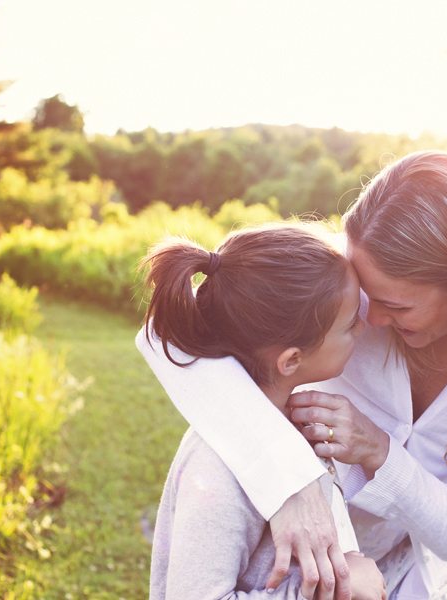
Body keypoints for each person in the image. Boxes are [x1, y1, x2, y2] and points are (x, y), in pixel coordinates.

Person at [137, 151, 447, 599]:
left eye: (396, 306)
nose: (370, 319)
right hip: (291, 572)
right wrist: (290, 481)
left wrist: (379, 451)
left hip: (411, 579)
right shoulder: (345, 282)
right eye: (366, 302)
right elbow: (169, 334)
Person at [139, 225, 386, 600]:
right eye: (350, 324)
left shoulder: (297, 423)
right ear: (292, 360)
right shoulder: (215, 467)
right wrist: (339, 592)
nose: (363, 327)